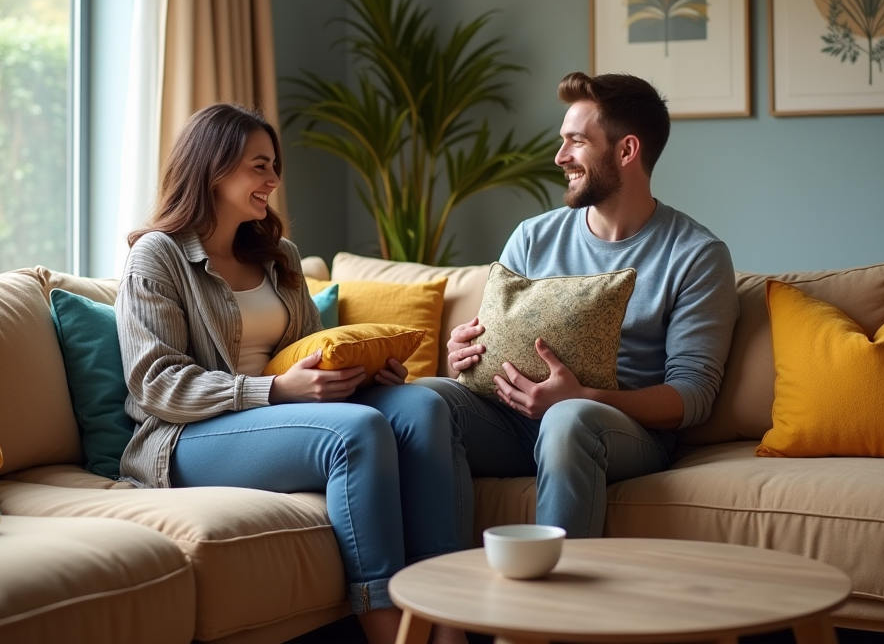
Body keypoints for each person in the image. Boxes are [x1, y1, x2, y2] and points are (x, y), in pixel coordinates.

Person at [115, 103, 466, 644]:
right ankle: (385, 624)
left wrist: (364, 374)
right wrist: (275, 390)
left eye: (273, 166)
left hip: (287, 413)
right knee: (357, 432)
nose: (274, 180)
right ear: (214, 167)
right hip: (187, 435)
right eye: (260, 166)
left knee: (423, 406)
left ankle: (441, 612)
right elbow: (156, 383)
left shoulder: (279, 255)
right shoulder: (157, 257)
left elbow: (308, 350)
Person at [416, 71, 739, 539]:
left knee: (568, 419)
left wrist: (582, 398)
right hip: (513, 419)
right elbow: (489, 334)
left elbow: (692, 397)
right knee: (426, 399)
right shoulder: (533, 236)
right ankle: (443, 597)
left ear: (627, 151)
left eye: (576, 142)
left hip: (617, 428)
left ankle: (556, 610)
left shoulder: (696, 255)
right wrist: (465, 353)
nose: (560, 157)